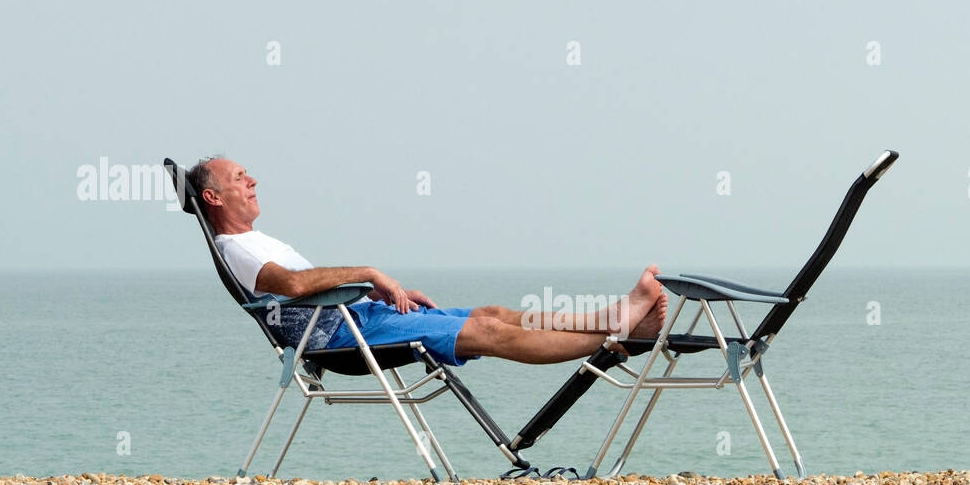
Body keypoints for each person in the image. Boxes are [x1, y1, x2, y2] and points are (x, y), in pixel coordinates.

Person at [188, 158, 666, 367]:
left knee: (493, 314)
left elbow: (302, 287)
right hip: (343, 336)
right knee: (490, 334)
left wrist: (369, 292)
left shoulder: (254, 240)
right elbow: (291, 285)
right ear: (213, 196)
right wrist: (369, 274)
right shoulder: (239, 247)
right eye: (239, 176)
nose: (252, 180)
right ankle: (613, 332)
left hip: (359, 316)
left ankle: (612, 320)